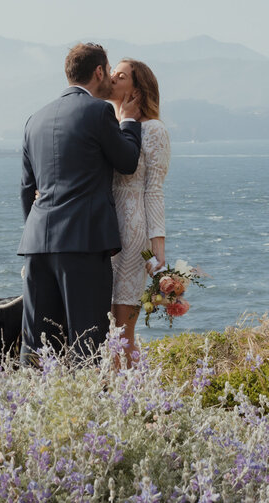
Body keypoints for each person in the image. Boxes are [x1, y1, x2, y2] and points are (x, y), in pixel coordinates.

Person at [18, 43, 142, 362]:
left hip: (36, 244)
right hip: (83, 243)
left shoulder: (34, 119)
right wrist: (128, 121)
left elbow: (26, 189)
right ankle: (87, 410)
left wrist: (38, 234)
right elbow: (127, 161)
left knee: (38, 344)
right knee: (87, 341)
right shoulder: (99, 111)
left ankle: (34, 407)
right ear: (99, 71)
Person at [107, 58, 170, 366]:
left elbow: (154, 189)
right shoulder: (107, 125)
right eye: (111, 74)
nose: (112, 79)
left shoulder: (154, 130)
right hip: (104, 231)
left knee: (122, 326)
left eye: (121, 76)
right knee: (106, 327)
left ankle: (131, 397)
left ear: (138, 89)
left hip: (134, 236)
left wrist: (158, 250)